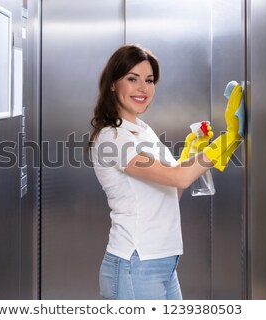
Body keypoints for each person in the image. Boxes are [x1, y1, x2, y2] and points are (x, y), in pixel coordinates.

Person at [89, 44, 243, 300]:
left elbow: (173, 189)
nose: (143, 88)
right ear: (113, 84)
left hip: (162, 261)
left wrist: (192, 153)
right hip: (134, 263)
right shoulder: (112, 138)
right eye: (132, 79)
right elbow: (178, 176)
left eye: (149, 80)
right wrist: (227, 140)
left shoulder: (143, 129)